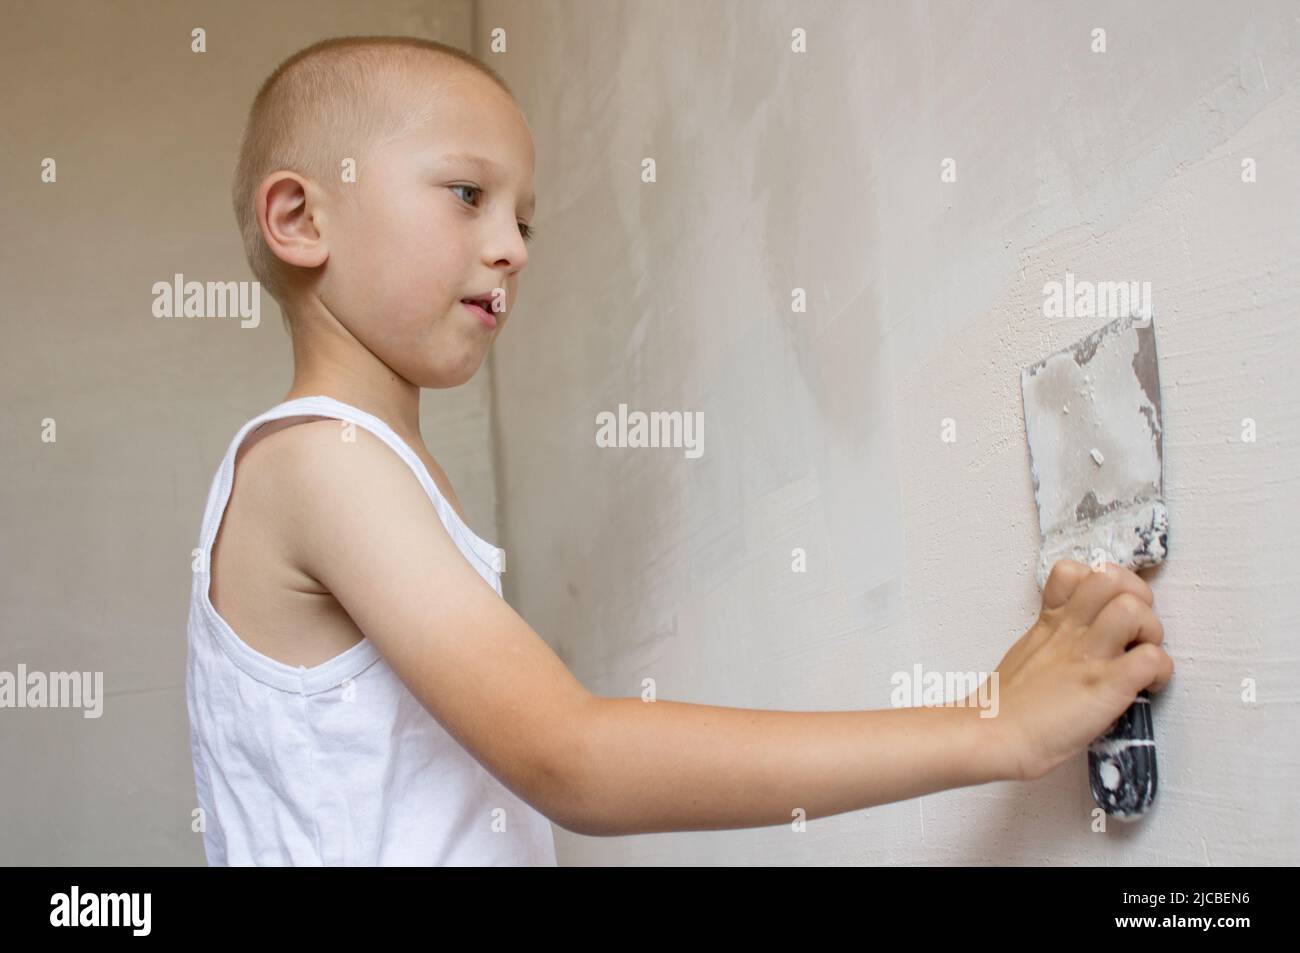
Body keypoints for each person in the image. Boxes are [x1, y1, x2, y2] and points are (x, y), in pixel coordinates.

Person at [186, 35, 1173, 865]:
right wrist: (989, 724)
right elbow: (569, 754)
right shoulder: (320, 463)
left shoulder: (365, 469)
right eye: (465, 193)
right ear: (300, 218)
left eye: (521, 218)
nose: (513, 246)